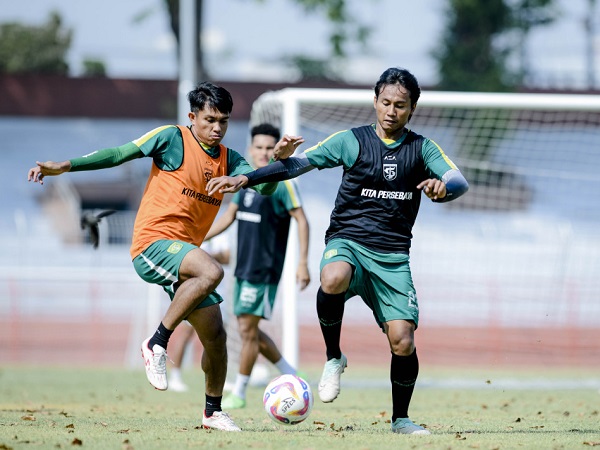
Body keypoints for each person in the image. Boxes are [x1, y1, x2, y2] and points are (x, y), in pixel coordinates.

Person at [27, 81, 303, 432]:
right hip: (152, 245)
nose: (217, 128)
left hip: (185, 257)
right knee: (213, 271)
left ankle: (212, 412)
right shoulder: (171, 138)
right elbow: (117, 154)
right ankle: (156, 342)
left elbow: (264, 186)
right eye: (210, 119)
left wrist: (278, 160)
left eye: (224, 121)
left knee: (216, 339)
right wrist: (64, 166)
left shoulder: (229, 160)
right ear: (192, 116)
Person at [206, 67, 469, 435]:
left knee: (403, 341)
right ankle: (333, 357)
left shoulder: (422, 148)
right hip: (347, 241)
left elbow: (458, 180)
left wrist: (444, 189)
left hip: (392, 257)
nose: (391, 111)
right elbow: (300, 163)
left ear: (412, 109)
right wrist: (247, 177)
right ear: (375, 101)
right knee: (333, 275)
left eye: (401, 105)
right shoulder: (351, 141)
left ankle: (401, 419)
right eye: (386, 102)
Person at [204, 123, 311, 410]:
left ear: (276, 150)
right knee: (247, 329)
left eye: (269, 148)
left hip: (264, 270)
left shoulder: (283, 184)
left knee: (246, 330)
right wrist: (198, 237)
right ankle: (290, 372)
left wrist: (302, 263)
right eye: (259, 148)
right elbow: (229, 216)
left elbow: (302, 220)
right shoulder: (246, 182)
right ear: (251, 150)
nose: (264, 153)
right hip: (242, 269)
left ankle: (238, 391)